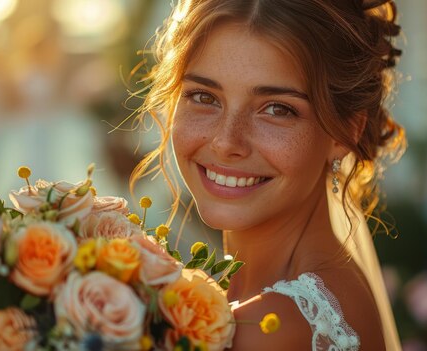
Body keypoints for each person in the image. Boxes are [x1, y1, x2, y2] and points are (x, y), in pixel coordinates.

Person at [131, 0, 406, 349]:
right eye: (204, 96)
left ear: (344, 133)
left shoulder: (275, 328)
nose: (226, 141)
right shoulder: (280, 298)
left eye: (277, 109)